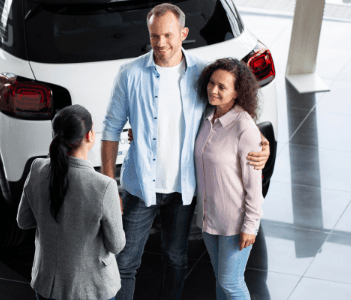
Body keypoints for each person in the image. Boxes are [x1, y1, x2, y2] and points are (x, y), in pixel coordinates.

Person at [100, 4, 270, 300]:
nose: (161, 43)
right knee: (125, 262)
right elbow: (111, 129)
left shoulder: (202, 74)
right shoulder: (130, 74)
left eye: (168, 35)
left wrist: (260, 144)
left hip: (183, 190)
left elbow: (232, 114)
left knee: (175, 259)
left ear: (183, 34)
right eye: (154, 36)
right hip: (140, 187)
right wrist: (107, 184)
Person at [17, 105, 126, 300]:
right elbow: (116, 245)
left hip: (47, 284)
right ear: (90, 136)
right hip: (92, 290)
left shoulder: (37, 169)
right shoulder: (104, 186)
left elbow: (23, 221)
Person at [194, 58, 265, 300]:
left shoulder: (244, 128)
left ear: (237, 92)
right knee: (220, 279)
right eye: (212, 83)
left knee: (231, 282)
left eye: (222, 87)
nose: (214, 90)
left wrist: (251, 226)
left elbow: (254, 186)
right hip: (208, 218)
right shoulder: (205, 115)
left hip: (235, 223)